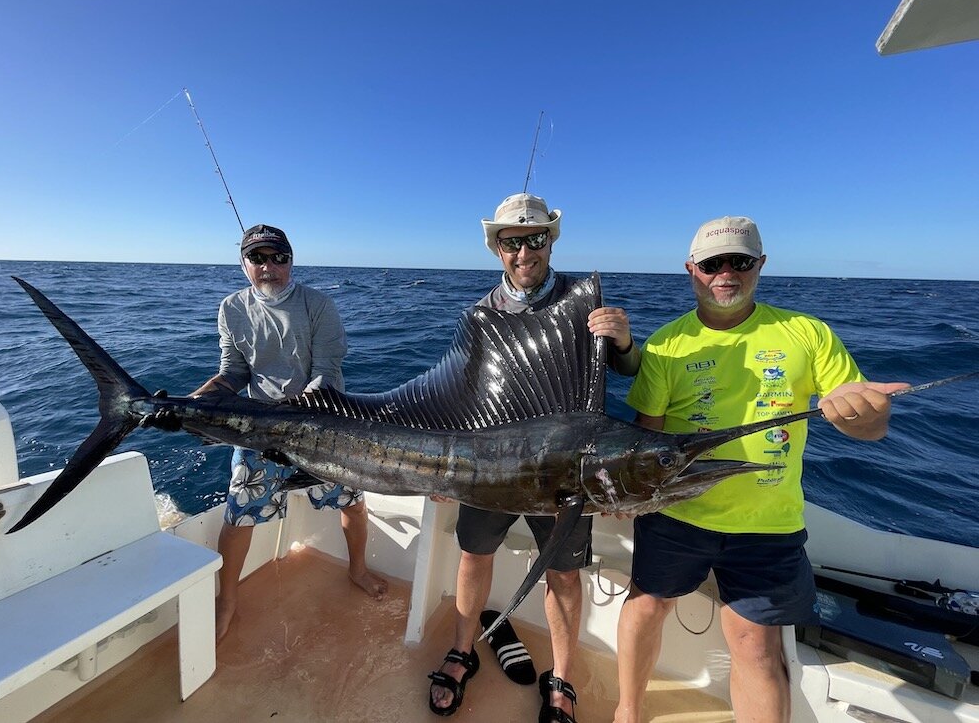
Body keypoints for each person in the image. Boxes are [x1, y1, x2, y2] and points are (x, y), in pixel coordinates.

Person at [611, 216, 909, 723]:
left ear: (760, 265)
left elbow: (868, 427)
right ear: (691, 270)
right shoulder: (664, 344)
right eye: (711, 263)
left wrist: (869, 414)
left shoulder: (807, 334)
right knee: (644, 607)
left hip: (768, 524)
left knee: (754, 647)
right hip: (676, 516)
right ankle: (627, 711)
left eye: (740, 261)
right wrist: (628, 494)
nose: (726, 272)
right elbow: (648, 440)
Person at [428, 193, 642, 721]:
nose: (525, 252)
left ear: (551, 240)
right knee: (474, 556)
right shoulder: (480, 317)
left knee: (564, 576)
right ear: (497, 248)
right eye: (512, 242)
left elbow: (630, 372)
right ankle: (463, 649)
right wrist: (442, 470)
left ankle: (562, 677)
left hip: (567, 474)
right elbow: (461, 397)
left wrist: (624, 341)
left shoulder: (583, 301)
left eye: (535, 239)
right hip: (492, 469)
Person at [190, 223, 387, 642]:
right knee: (239, 515)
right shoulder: (231, 308)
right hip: (261, 433)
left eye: (278, 257)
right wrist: (193, 402)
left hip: (324, 426)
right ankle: (227, 599)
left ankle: (357, 570)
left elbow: (327, 375)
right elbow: (234, 372)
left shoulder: (319, 306)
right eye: (258, 257)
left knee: (351, 503)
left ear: (291, 261)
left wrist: (287, 414)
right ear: (244, 264)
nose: (269, 266)